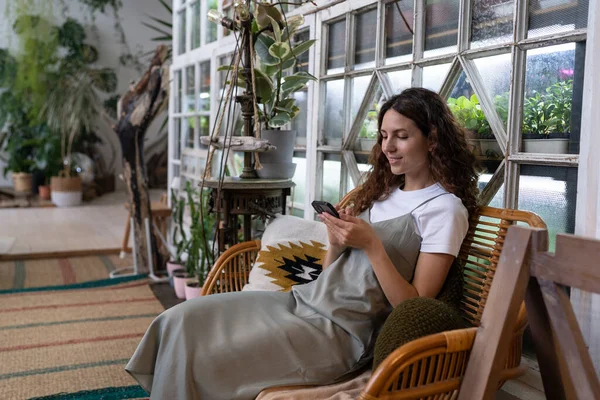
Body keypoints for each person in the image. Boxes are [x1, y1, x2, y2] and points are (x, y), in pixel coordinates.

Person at [125, 87, 479, 400]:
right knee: (182, 318)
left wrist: (372, 246)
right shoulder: (382, 192)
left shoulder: (445, 210)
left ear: (432, 139)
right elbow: (331, 276)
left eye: (401, 136)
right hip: (301, 302)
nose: (387, 147)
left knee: (211, 355)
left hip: (340, 335)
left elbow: (415, 306)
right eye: (384, 135)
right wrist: (337, 244)